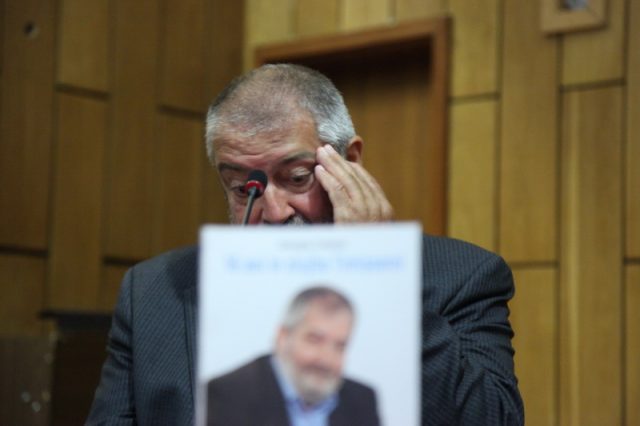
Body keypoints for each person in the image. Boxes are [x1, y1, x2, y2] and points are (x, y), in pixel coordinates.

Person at [86, 63, 524, 425]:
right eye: (243, 188)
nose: (274, 212)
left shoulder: (464, 276)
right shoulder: (152, 293)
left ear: (350, 162)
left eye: (297, 178)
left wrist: (380, 278)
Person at [206, 286, 379, 425]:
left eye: (339, 346)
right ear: (282, 338)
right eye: (315, 340)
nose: (326, 359)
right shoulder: (228, 395)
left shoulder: (362, 399)